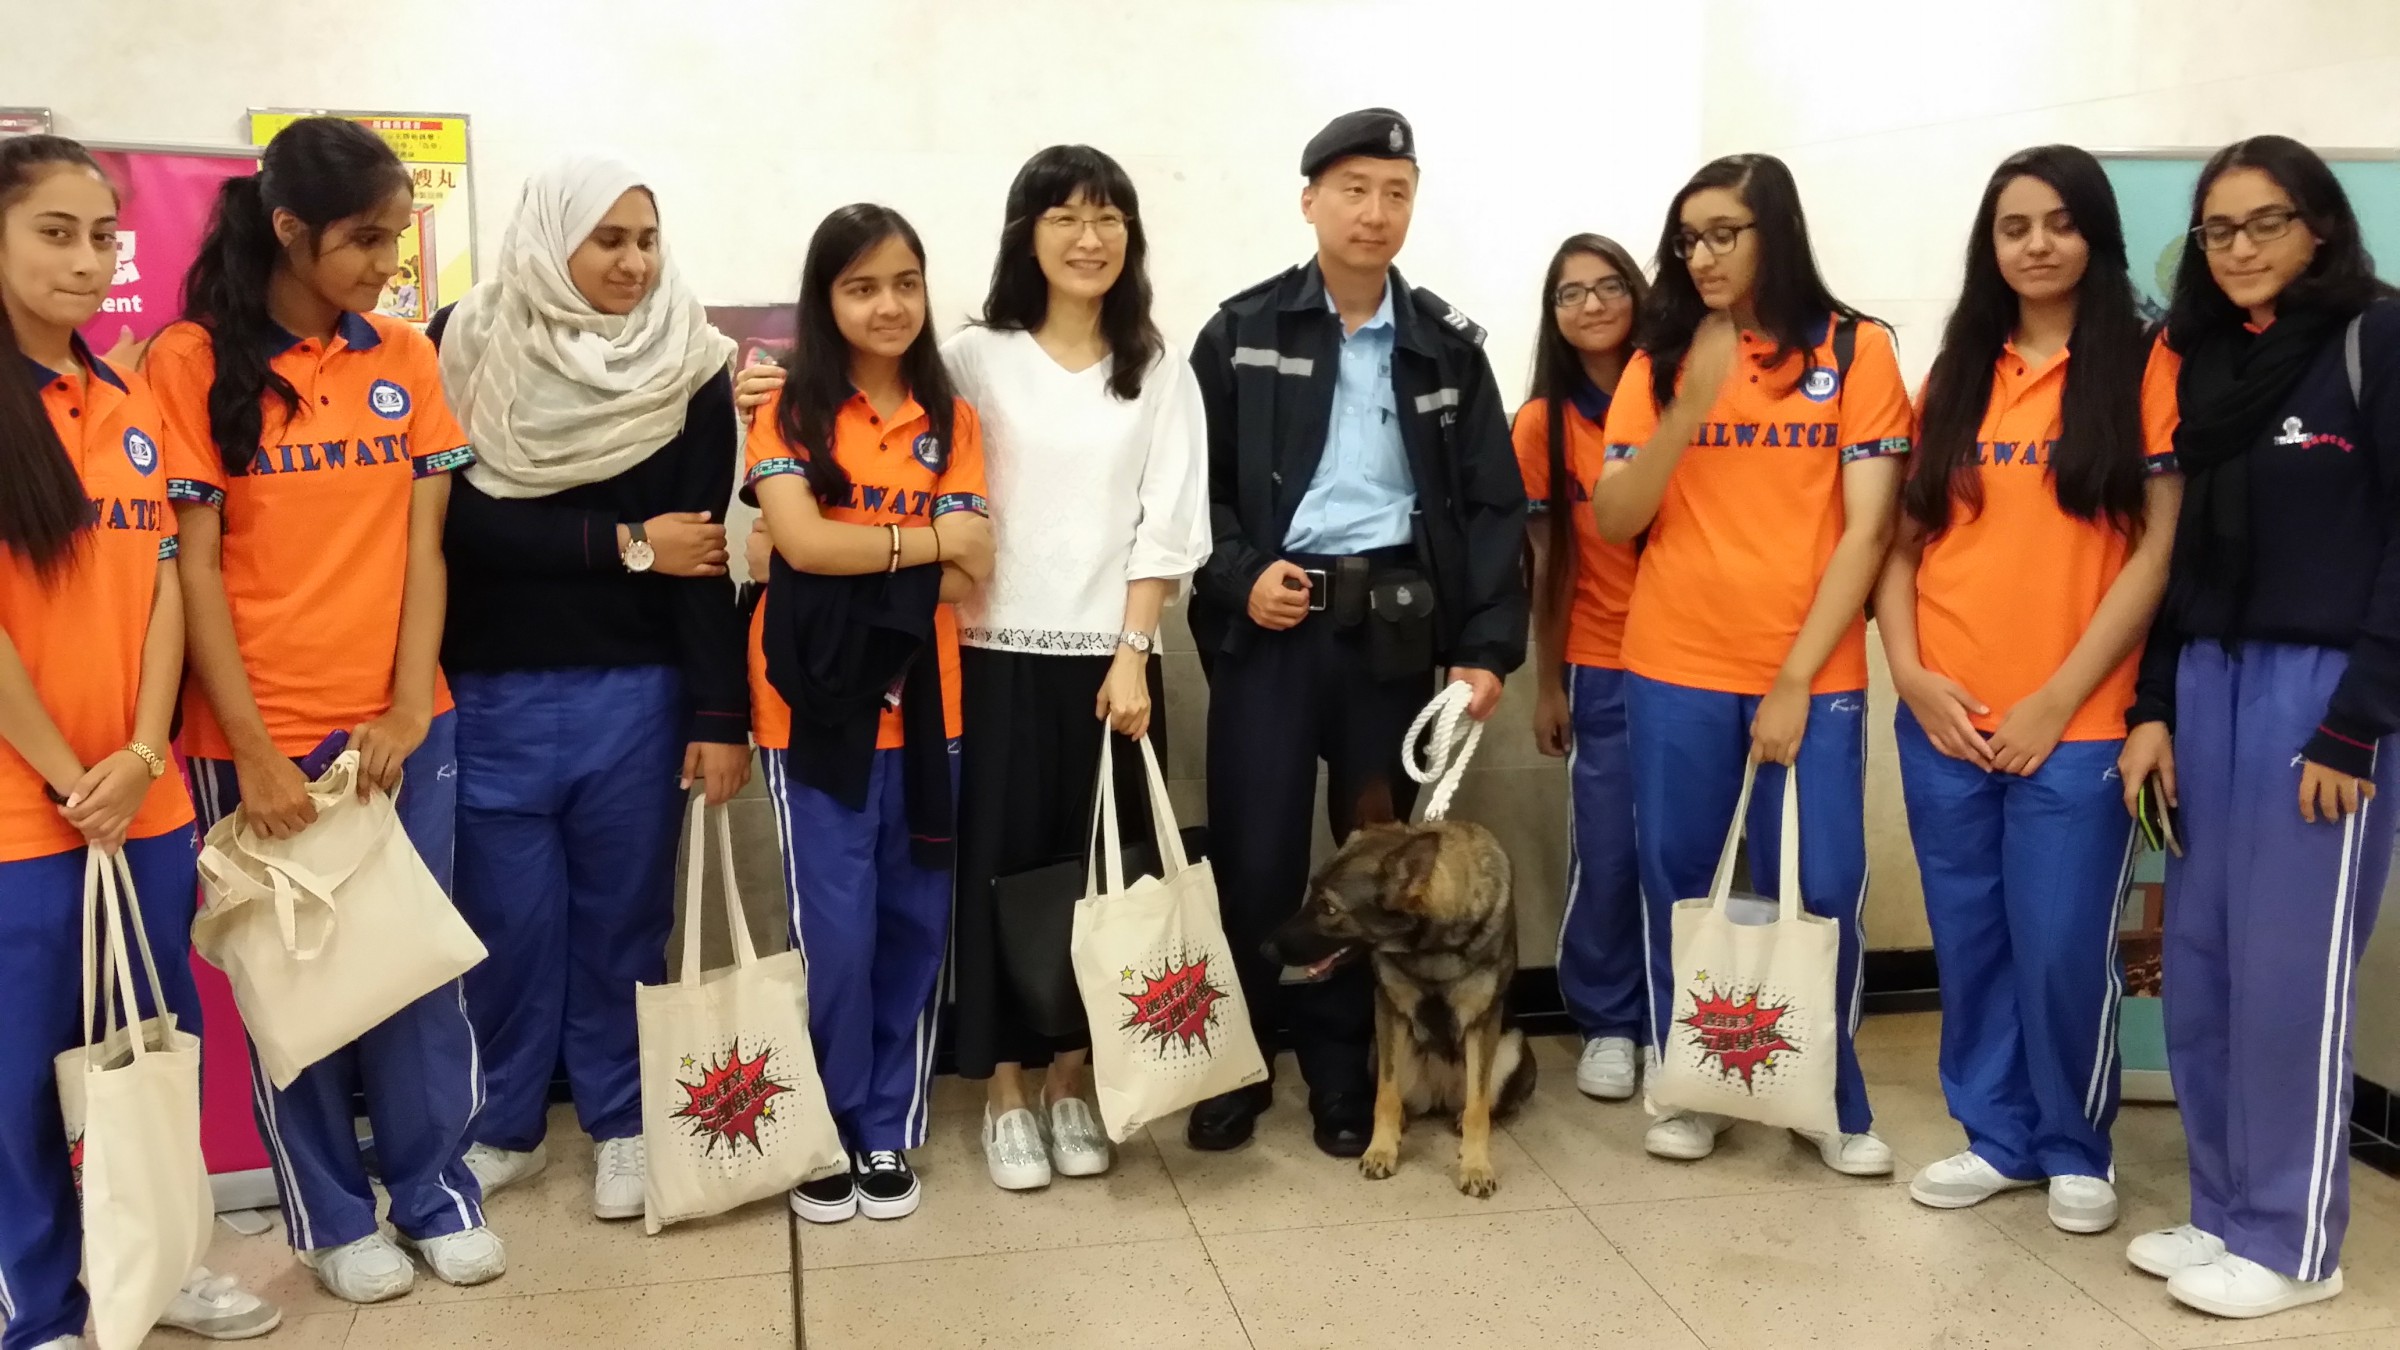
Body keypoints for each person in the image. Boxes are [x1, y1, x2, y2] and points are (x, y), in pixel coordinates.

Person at [742, 146, 1208, 1190]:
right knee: (995, 876)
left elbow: (1165, 523)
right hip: (982, 660)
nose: (1089, 238)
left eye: (1109, 217)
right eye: (1064, 217)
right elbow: (836, 498)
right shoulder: (973, 361)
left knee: (1099, 876)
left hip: (1110, 664)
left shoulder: (1156, 365)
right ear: (1025, 236)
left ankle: (1072, 1080)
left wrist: (1135, 653)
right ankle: (1001, 1088)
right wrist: (761, 394)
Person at [145, 116, 504, 1303]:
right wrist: (252, 752)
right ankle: (332, 1217)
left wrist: (406, 707)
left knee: (415, 972)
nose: (387, 265)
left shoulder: (403, 354)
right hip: (257, 737)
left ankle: (436, 1194)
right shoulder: (191, 361)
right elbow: (194, 571)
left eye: (398, 240)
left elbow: (425, 551)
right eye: (364, 240)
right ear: (290, 229)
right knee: (293, 988)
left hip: (398, 729)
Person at [1184, 108, 1527, 1158]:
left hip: (1392, 638)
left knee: (1373, 871)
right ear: (1310, 201)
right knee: (1256, 858)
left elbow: (1492, 508)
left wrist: (1484, 650)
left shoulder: (1447, 348)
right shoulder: (1241, 332)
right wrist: (1241, 576)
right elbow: (1190, 488)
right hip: (1273, 629)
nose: (1375, 213)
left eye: (1396, 193)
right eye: (1353, 190)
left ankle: (1344, 1075)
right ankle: (1239, 1066)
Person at [0, 133, 280, 1350]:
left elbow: (169, 582)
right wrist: (76, 778)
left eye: (102, 236)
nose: (86, 258)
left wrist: (147, 756)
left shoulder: (129, 402)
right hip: (26, 814)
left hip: (142, 799)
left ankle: (163, 1263)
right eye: (54, 232)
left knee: (152, 1045)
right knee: (22, 1077)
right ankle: (41, 1305)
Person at [2115, 135, 2400, 1321]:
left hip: (2322, 692)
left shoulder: (2375, 337)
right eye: (2218, 229)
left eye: (2265, 221)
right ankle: (2225, 1208)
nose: (2239, 247)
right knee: (2204, 963)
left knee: (2290, 974)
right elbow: (2180, 556)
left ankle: (2293, 1240)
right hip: (2210, 680)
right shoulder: (2205, 361)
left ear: (2318, 225)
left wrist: (2356, 723)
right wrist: (2152, 707)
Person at [431, 157, 747, 1221]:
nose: (633, 262)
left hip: (636, 693)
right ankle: (504, 1125)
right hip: (492, 693)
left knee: (624, 925)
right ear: (549, 237)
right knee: (503, 927)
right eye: (608, 239)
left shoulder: (688, 359)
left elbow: (700, 548)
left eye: (646, 239)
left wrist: (718, 713)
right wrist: (624, 544)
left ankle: (621, 1122)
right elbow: (461, 525)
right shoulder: (462, 342)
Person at [1874, 145, 2181, 1234]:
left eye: (2059, 222)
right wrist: (1911, 676)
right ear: (1990, 244)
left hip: (2079, 722)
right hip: (1946, 718)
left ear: (2094, 235)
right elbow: (1899, 546)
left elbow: (2157, 552)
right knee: (1971, 938)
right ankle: (1995, 1136)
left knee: (2059, 946)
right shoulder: (1958, 372)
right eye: (2015, 227)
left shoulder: (2144, 365)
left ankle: (2074, 1146)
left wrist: (2058, 698)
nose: (2037, 244)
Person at [1591, 153, 1909, 1176]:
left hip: (1811, 672)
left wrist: (1794, 680)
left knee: (1822, 886)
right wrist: (1690, 404)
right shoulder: (1659, 361)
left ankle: (1827, 1097)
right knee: (1683, 884)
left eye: (1724, 233)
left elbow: (1868, 533)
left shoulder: (1856, 351)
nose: (1702, 256)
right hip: (1675, 662)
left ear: (1777, 231)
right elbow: (1615, 517)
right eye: (1689, 239)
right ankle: (1695, 1083)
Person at [745, 204, 993, 1225]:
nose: (887, 305)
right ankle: (823, 1127)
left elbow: (975, 569)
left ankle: (885, 1124)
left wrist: (845, 556)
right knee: (833, 935)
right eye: (861, 287)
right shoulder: (787, 412)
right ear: (827, 299)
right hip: (810, 709)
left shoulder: (952, 420)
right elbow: (799, 546)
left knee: (914, 925)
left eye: (904, 283)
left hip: (931, 709)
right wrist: (917, 545)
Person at [1514, 233, 1649, 1103]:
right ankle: (1609, 1022)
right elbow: (1547, 564)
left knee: (1686, 853)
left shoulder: (1679, 399)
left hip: (1698, 663)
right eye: (1571, 293)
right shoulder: (1542, 424)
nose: (1592, 305)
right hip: (1602, 661)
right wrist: (1549, 683)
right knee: (1608, 853)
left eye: (1609, 286)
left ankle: (1677, 1020)